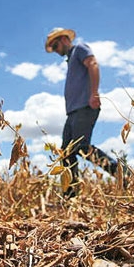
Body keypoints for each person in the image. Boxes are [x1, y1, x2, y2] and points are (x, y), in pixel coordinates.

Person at [44, 27, 118, 197]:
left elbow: (93, 64)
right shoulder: (70, 60)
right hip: (72, 112)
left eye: (55, 46)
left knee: (81, 147)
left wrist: (94, 93)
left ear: (63, 39)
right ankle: (70, 195)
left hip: (84, 107)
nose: (55, 51)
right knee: (66, 152)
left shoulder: (79, 49)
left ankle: (122, 174)